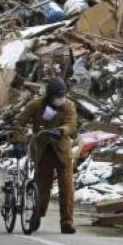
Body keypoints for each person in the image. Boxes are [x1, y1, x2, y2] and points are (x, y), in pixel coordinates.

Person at [11, 77, 78, 234]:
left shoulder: (69, 106)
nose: (60, 100)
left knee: (67, 187)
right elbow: (20, 122)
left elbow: (71, 124)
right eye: (57, 97)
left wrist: (61, 130)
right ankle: (36, 215)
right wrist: (18, 139)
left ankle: (67, 222)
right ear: (49, 96)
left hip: (62, 151)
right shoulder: (36, 105)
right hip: (42, 150)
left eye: (62, 96)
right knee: (42, 186)